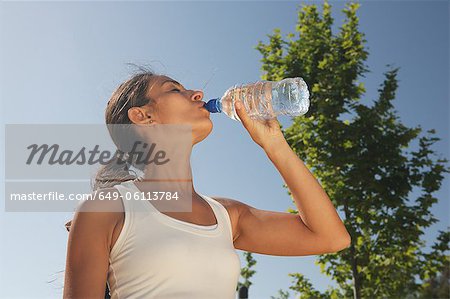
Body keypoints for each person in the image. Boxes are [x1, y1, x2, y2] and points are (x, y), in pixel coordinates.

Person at [63, 70, 351, 299]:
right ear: (143, 116)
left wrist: (275, 145)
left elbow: (330, 237)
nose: (197, 94)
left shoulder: (227, 216)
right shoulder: (106, 209)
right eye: (175, 89)